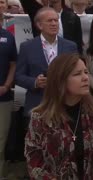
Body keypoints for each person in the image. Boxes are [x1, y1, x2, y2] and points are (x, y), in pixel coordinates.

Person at [24, 53, 93, 180]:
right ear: (60, 79)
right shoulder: (39, 118)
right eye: (77, 74)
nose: (85, 78)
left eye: (86, 72)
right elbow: (33, 162)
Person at [15, 7, 78, 118]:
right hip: (37, 105)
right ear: (39, 25)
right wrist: (35, 82)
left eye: (56, 20)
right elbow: (18, 76)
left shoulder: (70, 46)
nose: (54, 23)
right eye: (49, 21)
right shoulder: (27, 47)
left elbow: (76, 72)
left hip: (64, 104)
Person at [0, 12, 17, 178]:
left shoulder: (8, 37)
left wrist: (6, 85)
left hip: (2, 98)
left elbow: (13, 64)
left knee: (1, 139)